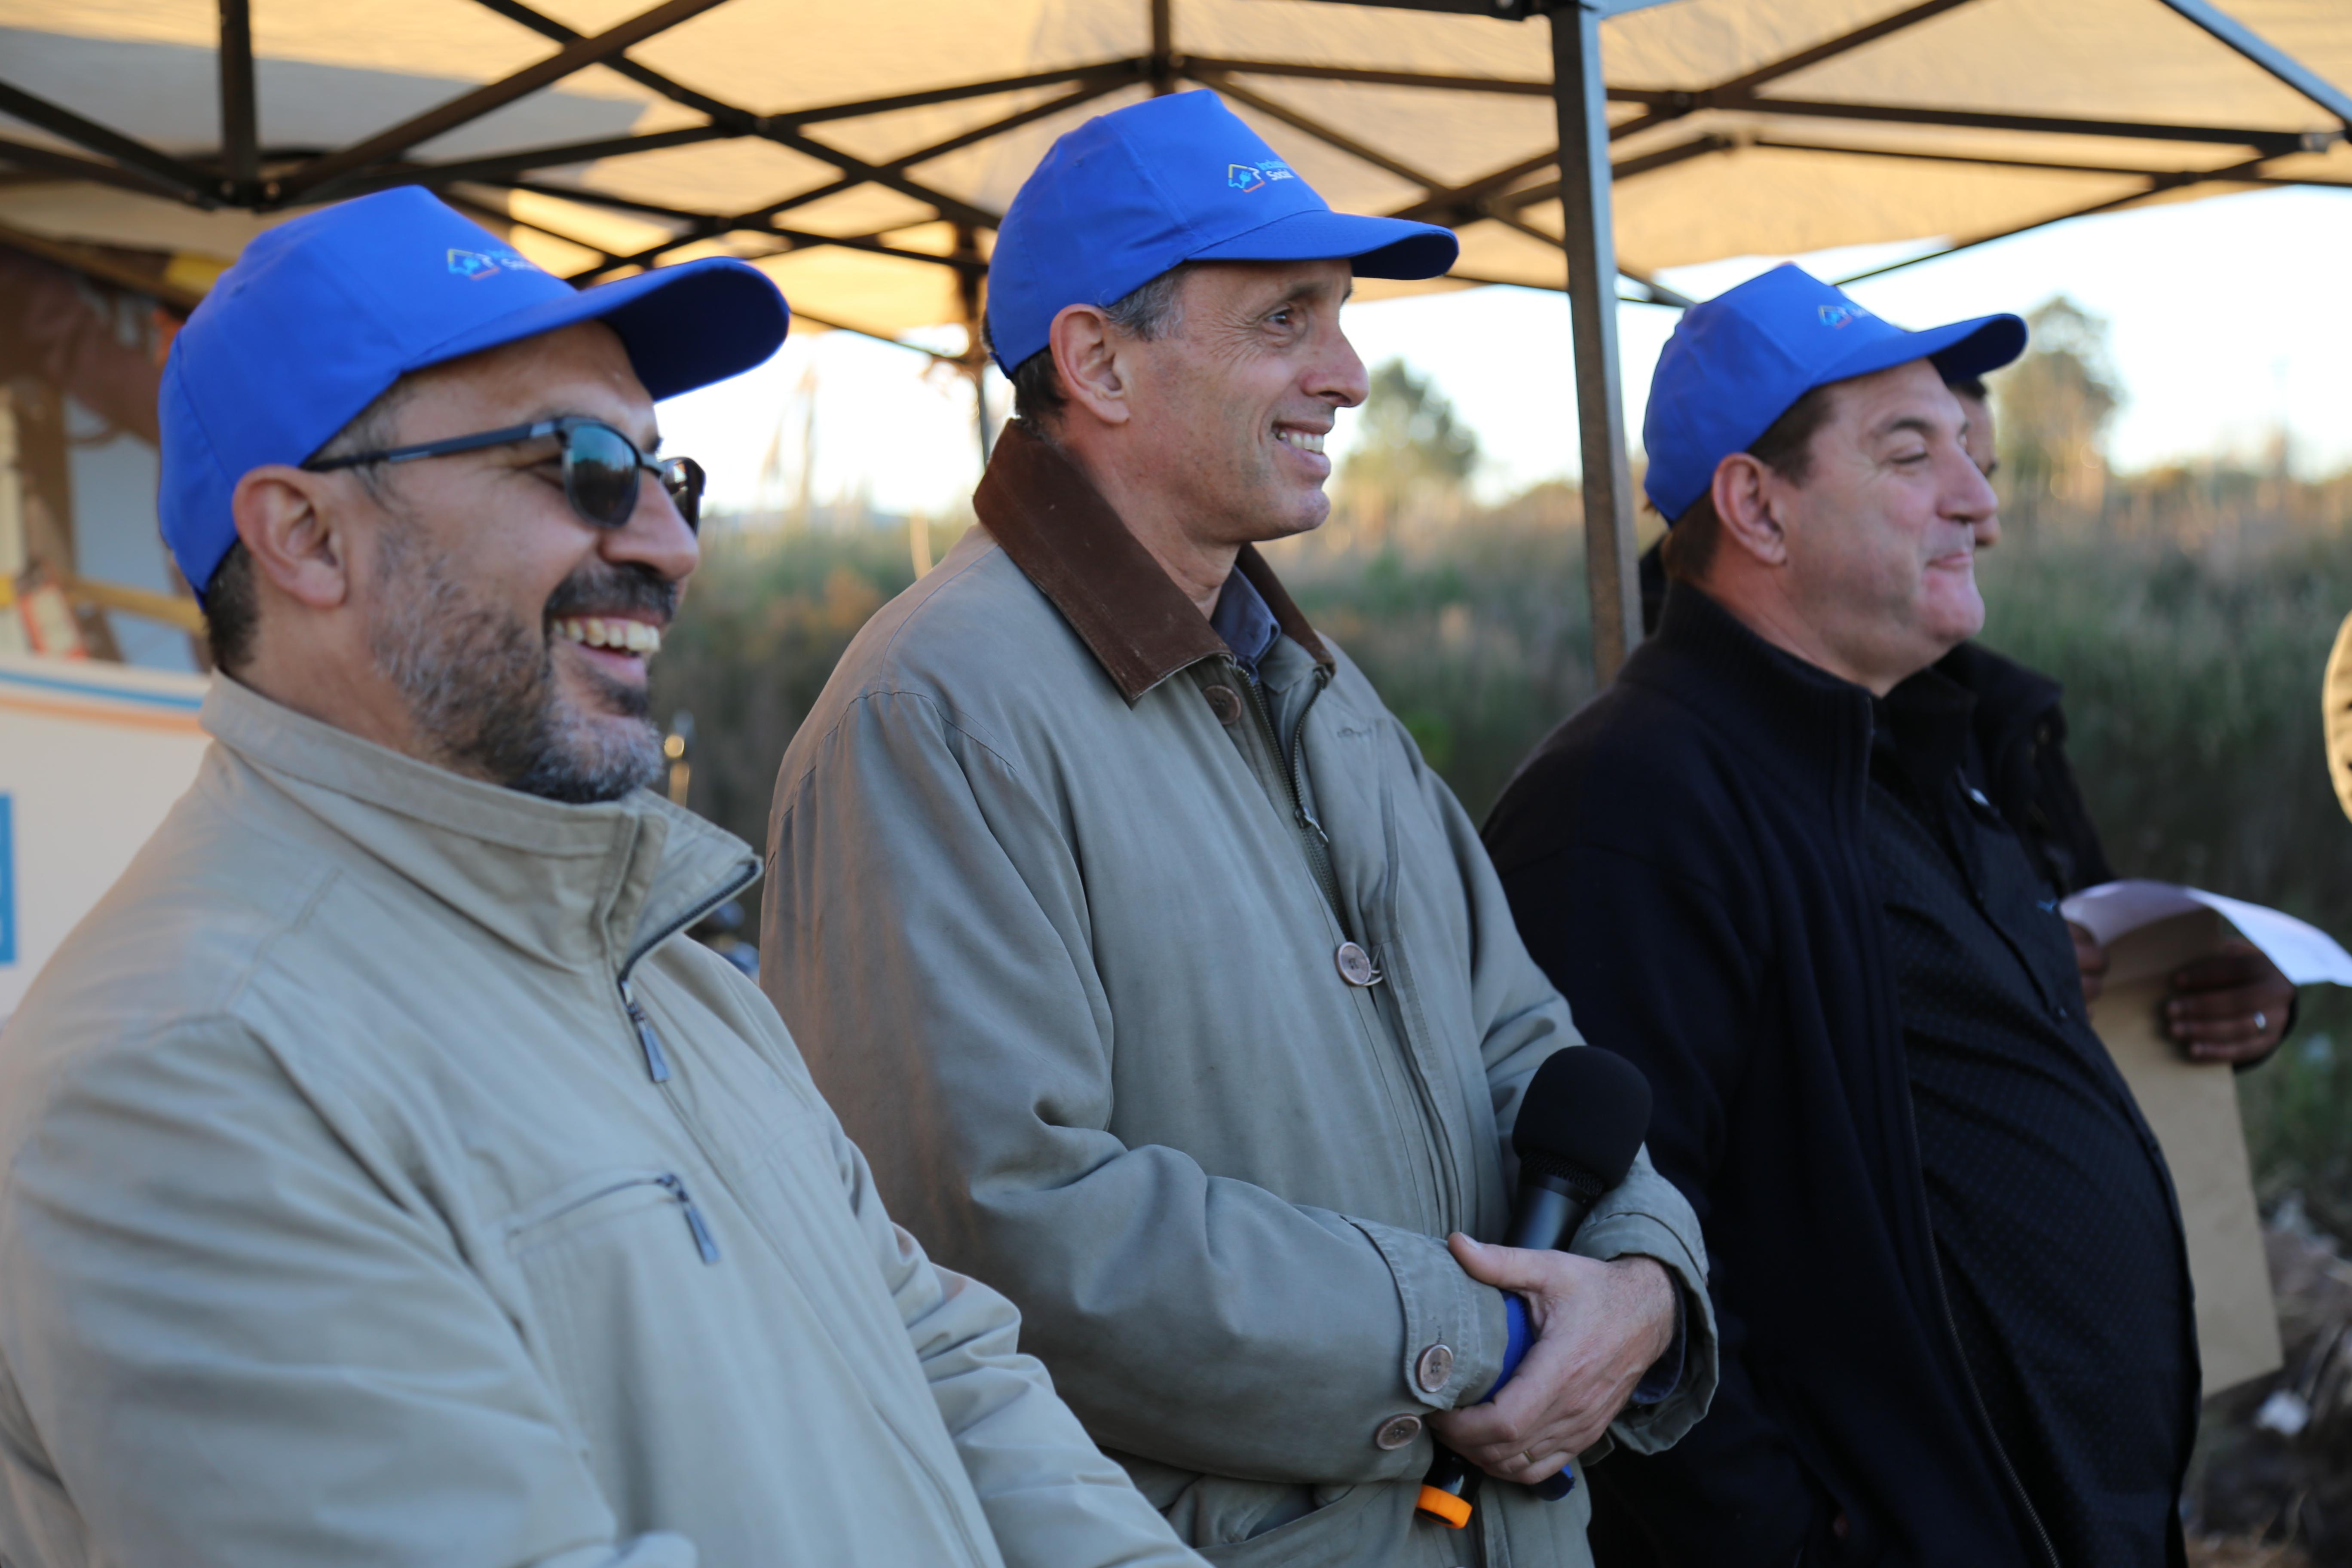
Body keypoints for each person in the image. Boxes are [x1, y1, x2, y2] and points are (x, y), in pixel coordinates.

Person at [0, 187, 1202, 1568]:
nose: (669, 544)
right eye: (577, 467)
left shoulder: (669, 976)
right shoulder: (186, 1075)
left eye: (664, 475)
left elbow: (950, 1370)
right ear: (306, 538)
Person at [758, 91, 1714, 1568]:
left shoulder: (1324, 694)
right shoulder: (931, 710)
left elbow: (1529, 1049)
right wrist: (1488, 1331)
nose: (1347, 372)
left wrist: (1645, 1275)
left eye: (1336, 318)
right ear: (1097, 362)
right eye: (1285, 320)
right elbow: (999, 1225)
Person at [1484, 265, 2198, 1568]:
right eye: (1911, 454)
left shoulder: (1909, 758)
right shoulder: (1634, 808)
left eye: (1968, 454)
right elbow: (1618, 1273)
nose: (1979, 500)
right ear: (1757, 505)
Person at [1943, 376, 2297, 1064]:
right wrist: (1997, 981)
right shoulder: (1749, 747)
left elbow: (2095, 938)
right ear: (1763, 502)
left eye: (1984, 476)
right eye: (1921, 464)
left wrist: (2230, 1000)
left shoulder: (2008, 712)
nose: (1987, 521)